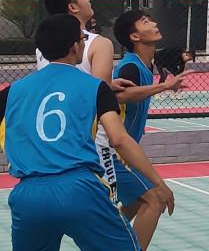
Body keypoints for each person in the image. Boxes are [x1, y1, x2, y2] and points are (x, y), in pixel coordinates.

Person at [2, 14, 174, 251]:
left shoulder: (11, 91)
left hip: (28, 195)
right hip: (78, 189)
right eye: (82, 39)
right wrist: (158, 183)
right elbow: (119, 139)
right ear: (75, 46)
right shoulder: (95, 87)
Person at [37, 0, 135, 199]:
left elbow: (66, 82)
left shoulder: (43, 46)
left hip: (55, 134)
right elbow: (97, 95)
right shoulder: (100, 43)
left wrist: (108, 83)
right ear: (72, 7)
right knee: (105, 202)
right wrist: (108, 86)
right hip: (91, 137)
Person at [112, 10, 193, 249]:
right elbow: (120, 95)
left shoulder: (147, 63)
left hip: (124, 150)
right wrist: (165, 87)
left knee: (136, 202)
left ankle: (102, 238)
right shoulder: (131, 66)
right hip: (112, 151)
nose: (154, 23)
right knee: (156, 198)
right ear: (135, 36)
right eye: (145, 21)